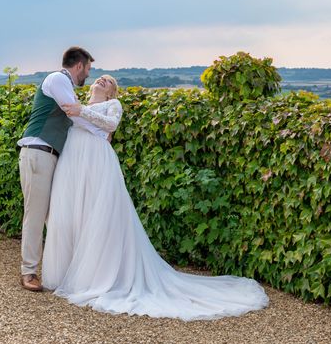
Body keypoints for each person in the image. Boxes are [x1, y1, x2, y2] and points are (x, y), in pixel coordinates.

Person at [42, 75, 269, 320]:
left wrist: (83, 111)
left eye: (108, 81)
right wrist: (80, 111)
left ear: (111, 93)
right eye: (100, 78)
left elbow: (111, 125)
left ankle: (95, 275)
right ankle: (70, 270)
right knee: (74, 211)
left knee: (99, 213)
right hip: (75, 158)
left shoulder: (112, 105)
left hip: (97, 160)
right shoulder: (77, 103)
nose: (102, 80)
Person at [17, 46, 101, 292]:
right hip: (38, 153)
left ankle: (60, 269)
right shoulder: (57, 79)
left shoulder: (66, 86)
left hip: (51, 156)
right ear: (79, 66)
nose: (88, 74)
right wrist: (102, 132)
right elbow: (74, 115)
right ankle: (28, 272)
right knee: (35, 214)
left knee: (56, 215)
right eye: (88, 68)